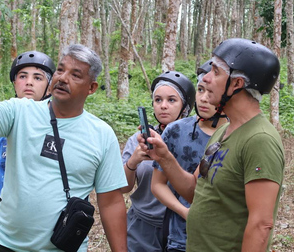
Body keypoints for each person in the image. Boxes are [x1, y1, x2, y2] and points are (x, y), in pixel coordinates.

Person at [0, 29, 128, 252]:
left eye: (75, 75)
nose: (62, 78)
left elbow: (111, 203)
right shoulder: (19, 111)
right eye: (60, 70)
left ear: (92, 88)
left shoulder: (102, 135)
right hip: (5, 245)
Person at [138, 38, 284, 252]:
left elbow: (261, 225)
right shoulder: (225, 131)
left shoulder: (259, 139)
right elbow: (194, 191)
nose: (205, 78)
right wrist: (165, 158)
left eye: (215, 72)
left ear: (237, 84)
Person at [0, 51, 56, 252]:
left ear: (49, 86)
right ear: (14, 83)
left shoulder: (60, 126)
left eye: (38, 77)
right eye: (22, 76)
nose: (29, 82)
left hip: (51, 235)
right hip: (6, 232)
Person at [150, 60, 228, 252]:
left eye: (210, 92)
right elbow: (157, 184)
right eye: (200, 90)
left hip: (224, 237)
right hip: (181, 237)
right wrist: (184, 212)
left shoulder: (239, 135)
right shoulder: (176, 130)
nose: (203, 98)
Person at [121, 71, 195, 252]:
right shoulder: (137, 140)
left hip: (182, 224)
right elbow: (123, 187)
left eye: (171, 100)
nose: (163, 106)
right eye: (158, 100)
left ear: (185, 106)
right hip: (142, 226)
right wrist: (134, 161)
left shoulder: (194, 141)